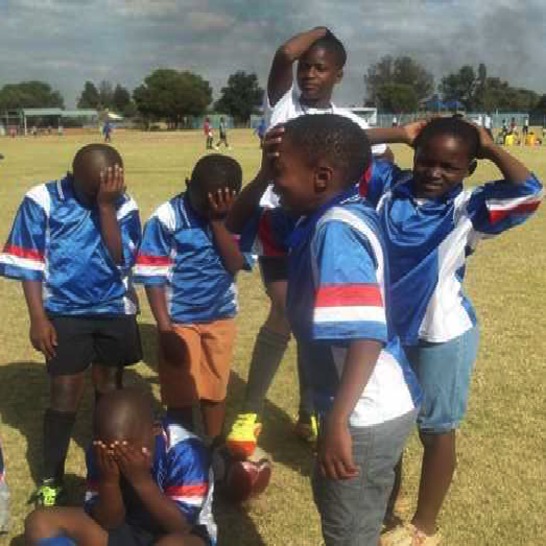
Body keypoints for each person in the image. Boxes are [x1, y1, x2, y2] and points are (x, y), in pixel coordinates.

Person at [364, 117, 542, 546]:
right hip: (386, 331)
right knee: (389, 421)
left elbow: (532, 191)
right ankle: (390, 502)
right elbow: (334, 143)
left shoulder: (471, 208)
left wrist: (491, 145)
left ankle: (424, 526)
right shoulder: (386, 188)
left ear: (469, 169)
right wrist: (398, 133)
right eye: (426, 160)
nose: (434, 173)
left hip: (441, 332)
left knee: (435, 428)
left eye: (450, 166)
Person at [226, 26, 389, 458]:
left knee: (313, 318)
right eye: (306, 67)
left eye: (320, 68)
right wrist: (323, 30)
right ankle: (251, 412)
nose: (309, 74)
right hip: (276, 219)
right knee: (286, 311)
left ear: (338, 73)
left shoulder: (347, 123)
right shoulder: (281, 103)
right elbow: (282, 53)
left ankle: (309, 412)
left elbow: (368, 151)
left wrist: (402, 137)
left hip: (317, 221)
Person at [257, 114, 420, 545]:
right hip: (366, 405)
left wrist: (338, 423)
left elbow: (365, 335)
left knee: (348, 532)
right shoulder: (335, 212)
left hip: (365, 411)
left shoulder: (335, 232)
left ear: (322, 176)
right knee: (346, 514)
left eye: (280, 172)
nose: (275, 184)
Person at [0, 144, 142, 507]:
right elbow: (29, 263)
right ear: (74, 176)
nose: (109, 189)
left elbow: (121, 258)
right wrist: (38, 318)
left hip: (114, 310)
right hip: (65, 311)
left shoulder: (122, 203)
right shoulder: (42, 199)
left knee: (110, 391)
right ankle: (52, 479)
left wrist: (106, 205)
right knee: (64, 393)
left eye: (114, 182)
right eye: (96, 187)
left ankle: (104, 475)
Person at [134, 155, 251, 443]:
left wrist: (218, 222)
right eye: (203, 200)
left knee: (215, 387)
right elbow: (153, 276)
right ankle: (182, 447)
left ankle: (213, 445)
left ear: (232, 197)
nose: (209, 206)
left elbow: (236, 264)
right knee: (180, 391)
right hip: (179, 319)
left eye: (219, 200)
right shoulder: (166, 218)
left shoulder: (237, 218)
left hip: (220, 316)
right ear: (188, 184)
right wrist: (164, 328)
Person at [24, 388, 216, 546]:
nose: (121, 457)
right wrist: (109, 482)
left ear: (155, 430)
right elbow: (109, 522)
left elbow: (181, 527)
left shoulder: (185, 451)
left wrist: (140, 480)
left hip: (183, 535)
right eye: (112, 451)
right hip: (128, 527)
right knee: (40, 522)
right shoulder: (100, 449)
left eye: (128, 448)